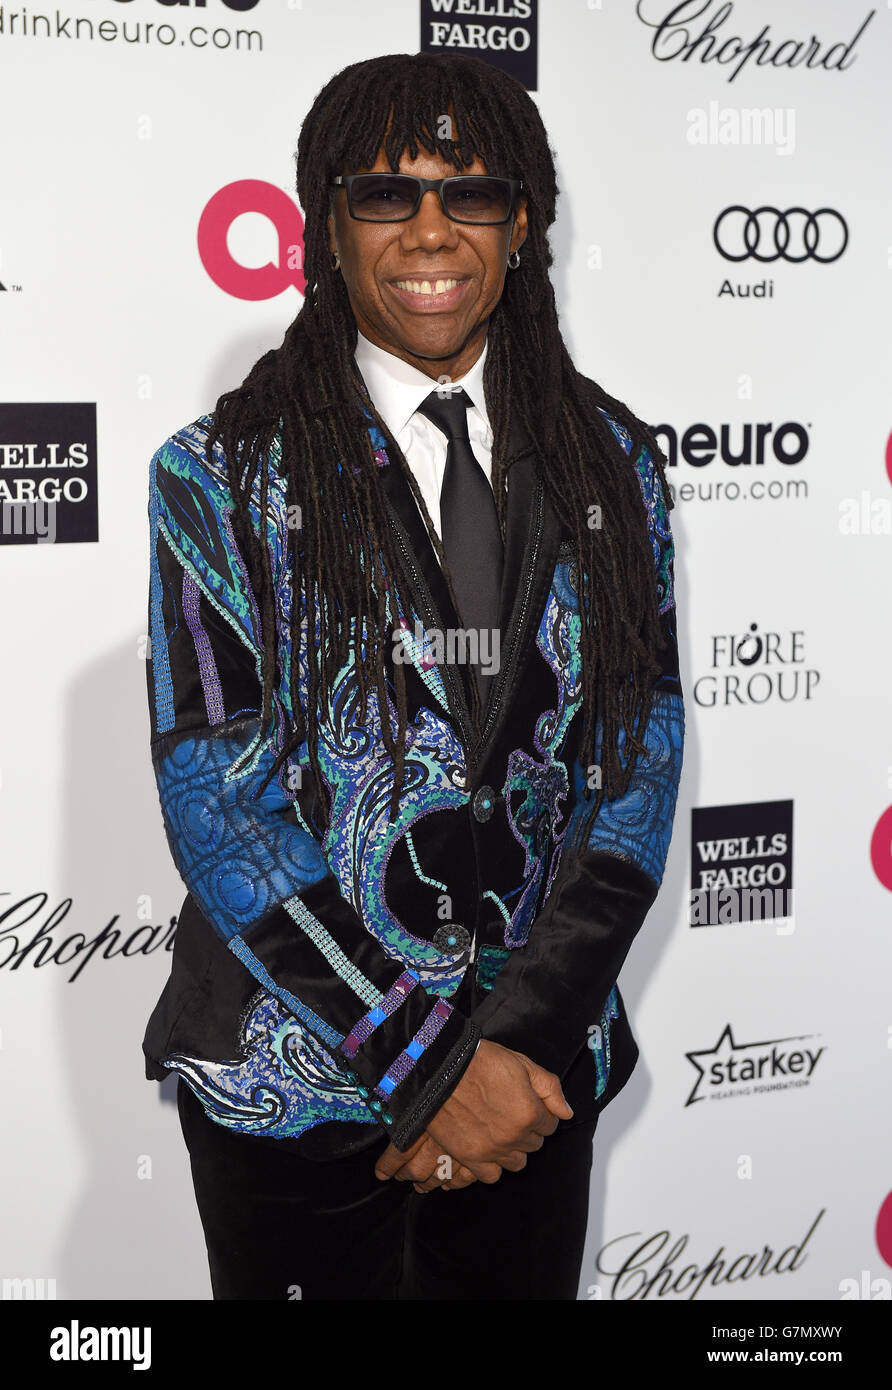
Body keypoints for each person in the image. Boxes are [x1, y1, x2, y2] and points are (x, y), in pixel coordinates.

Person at [142, 50, 684, 1301]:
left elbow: (639, 755)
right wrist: (435, 1070)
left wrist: (519, 1047)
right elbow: (218, 801)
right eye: (385, 195)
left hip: (535, 1086)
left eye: (471, 193)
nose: (430, 230)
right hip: (299, 1089)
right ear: (326, 225)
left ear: (522, 222)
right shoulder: (216, 472)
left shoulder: (613, 463)